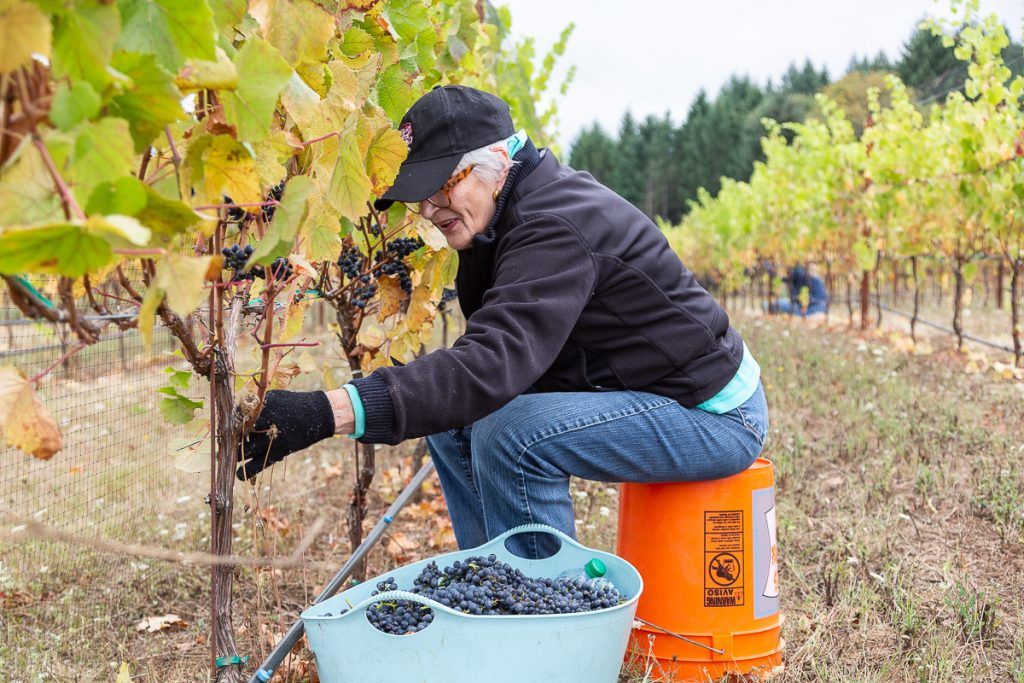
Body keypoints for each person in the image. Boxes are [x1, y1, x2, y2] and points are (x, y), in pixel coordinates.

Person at [237, 86, 769, 559]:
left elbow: (491, 366)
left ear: (494, 161)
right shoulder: (501, 214)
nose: (429, 209)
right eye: (422, 196)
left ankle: (544, 612)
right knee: (453, 420)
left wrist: (323, 412)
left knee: (511, 433)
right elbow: (485, 366)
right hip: (648, 390)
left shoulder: (554, 224)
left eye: (442, 186)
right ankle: (494, 577)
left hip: (711, 414)